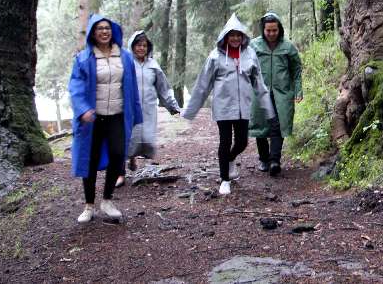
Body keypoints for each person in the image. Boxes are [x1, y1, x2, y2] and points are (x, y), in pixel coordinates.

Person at [181, 14, 275, 195]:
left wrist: (269, 110)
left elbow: (259, 84)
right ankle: (225, 179)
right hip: (223, 106)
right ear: (225, 37)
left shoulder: (250, 55)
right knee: (225, 141)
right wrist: (190, 111)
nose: (235, 38)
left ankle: (230, 159)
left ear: (242, 37)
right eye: (231, 35)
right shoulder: (215, 57)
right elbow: (203, 84)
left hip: (243, 108)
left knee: (242, 142)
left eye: (238, 35)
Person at [69, 15, 143, 223]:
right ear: (93, 32)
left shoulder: (125, 57)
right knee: (90, 160)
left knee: (118, 155)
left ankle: (108, 200)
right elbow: (75, 87)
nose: (104, 32)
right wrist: (83, 109)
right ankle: (89, 205)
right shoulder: (84, 59)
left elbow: (131, 87)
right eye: (100, 28)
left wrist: (135, 112)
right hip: (93, 119)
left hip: (117, 116)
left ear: (113, 32)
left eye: (107, 28)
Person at [115, 31, 182, 187]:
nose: (141, 48)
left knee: (144, 137)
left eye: (144, 45)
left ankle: (132, 159)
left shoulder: (153, 65)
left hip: (148, 108)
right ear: (132, 46)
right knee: (124, 139)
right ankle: (120, 174)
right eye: (138, 45)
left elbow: (163, 87)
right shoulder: (125, 63)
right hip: (128, 109)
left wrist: (172, 105)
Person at [249, 12, 303, 176]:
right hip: (259, 92)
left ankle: (274, 161)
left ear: (279, 29)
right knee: (261, 125)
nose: (272, 34)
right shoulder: (253, 46)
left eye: (274, 30)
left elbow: (296, 69)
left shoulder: (288, 47)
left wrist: (298, 89)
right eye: (268, 31)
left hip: (282, 92)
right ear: (263, 30)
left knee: (277, 126)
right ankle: (264, 159)